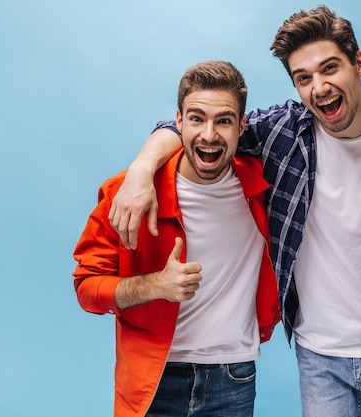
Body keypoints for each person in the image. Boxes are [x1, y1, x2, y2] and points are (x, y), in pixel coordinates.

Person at [108, 5, 361, 417]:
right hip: (319, 360)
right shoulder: (281, 131)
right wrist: (141, 169)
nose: (319, 87)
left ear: (359, 63)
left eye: (329, 68)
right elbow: (198, 126)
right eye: (303, 78)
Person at [73, 61, 281, 417]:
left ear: (242, 127)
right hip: (152, 379)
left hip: (234, 376)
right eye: (197, 118)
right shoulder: (126, 194)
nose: (210, 135)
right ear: (178, 122)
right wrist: (155, 286)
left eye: (224, 121)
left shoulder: (266, 187)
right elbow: (87, 288)